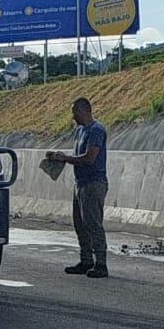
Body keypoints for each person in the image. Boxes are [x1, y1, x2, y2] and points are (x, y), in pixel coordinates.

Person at [45, 97, 109, 279]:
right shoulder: (80, 131)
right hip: (80, 183)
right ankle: (86, 260)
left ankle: (101, 264)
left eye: (75, 113)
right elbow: (79, 156)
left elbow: (89, 158)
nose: (73, 117)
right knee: (80, 224)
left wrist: (65, 158)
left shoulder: (96, 130)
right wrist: (59, 157)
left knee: (93, 224)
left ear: (83, 111)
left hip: (93, 183)